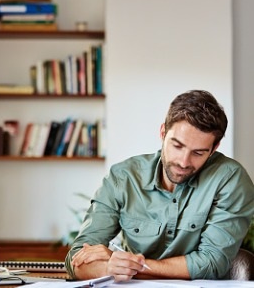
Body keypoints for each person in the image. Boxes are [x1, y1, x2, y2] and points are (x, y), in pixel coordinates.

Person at [65, 89, 254, 282]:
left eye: (198, 153)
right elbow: (77, 259)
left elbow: (212, 263)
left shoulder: (231, 180)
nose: (183, 161)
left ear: (214, 149)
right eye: (177, 146)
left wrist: (127, 266)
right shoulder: (123, 178)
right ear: (163, 133)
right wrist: (108, 268)